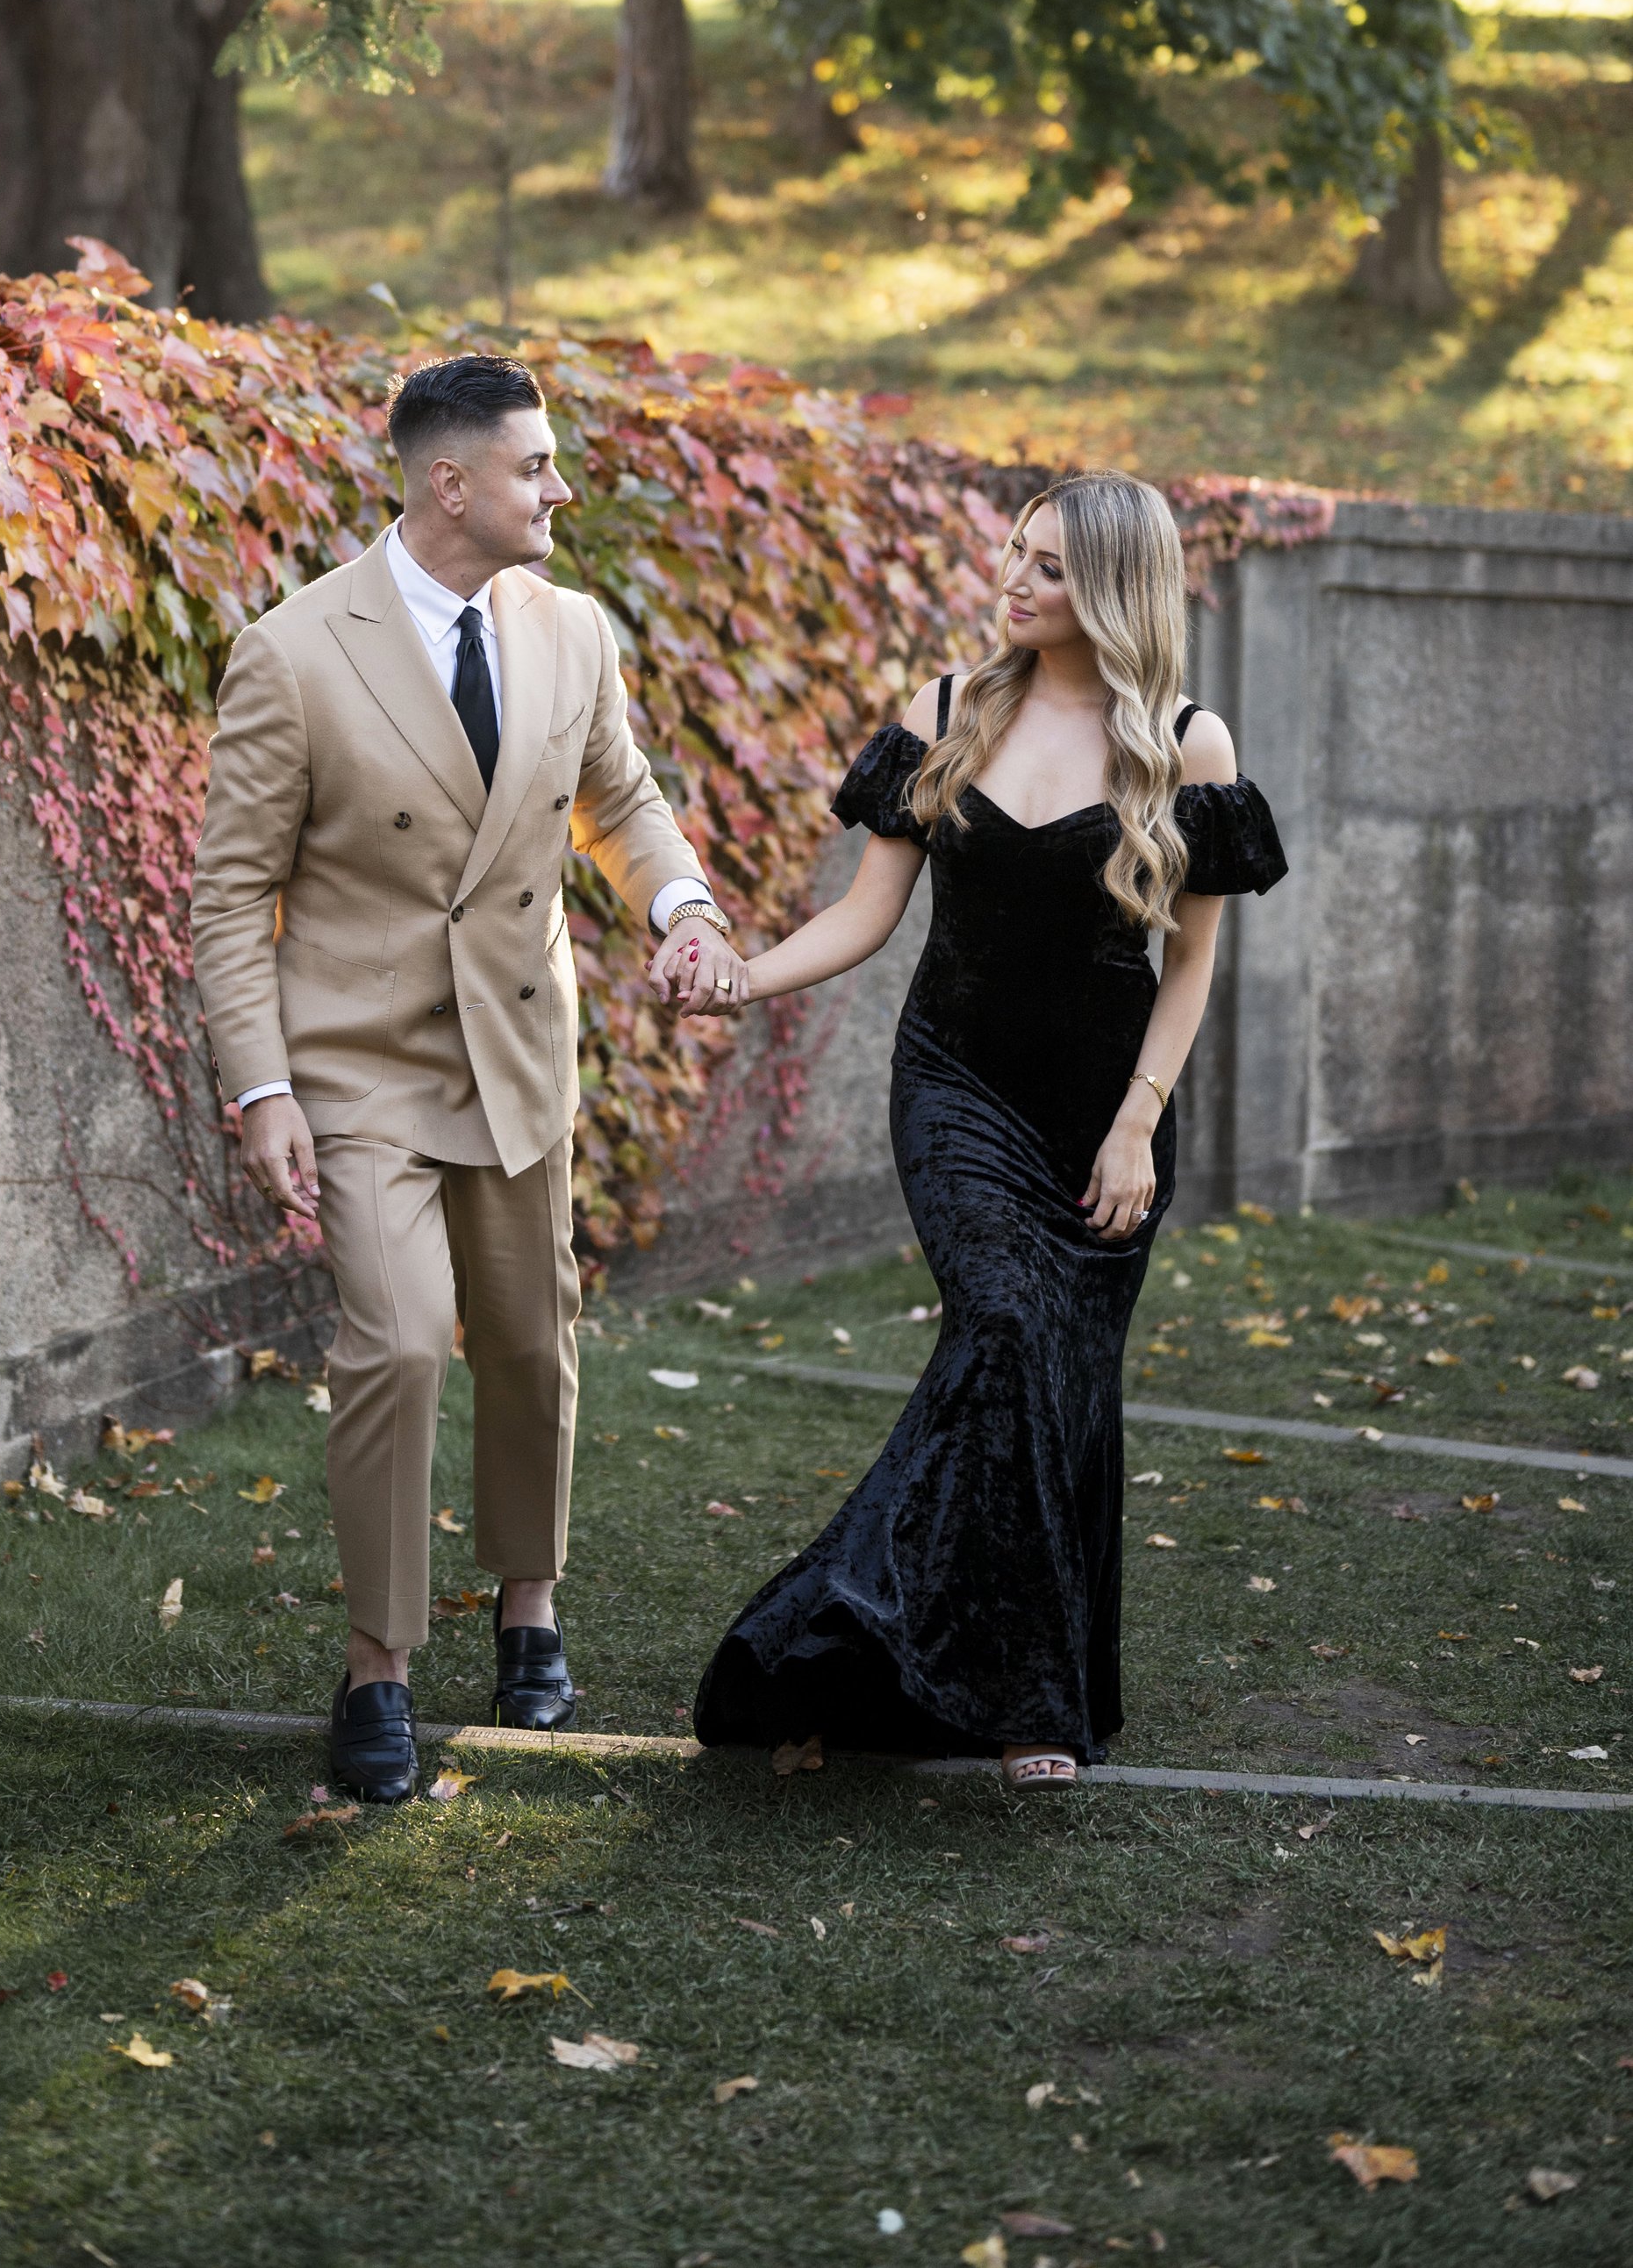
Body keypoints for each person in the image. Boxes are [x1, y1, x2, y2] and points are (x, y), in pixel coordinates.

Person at [673, 469, 1286, 1789]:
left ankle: (986, 1674)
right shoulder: (946, 712)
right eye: (1014, 551)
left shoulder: (1189, 745)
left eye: (1050, 566)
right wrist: (740, 971)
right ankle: (953, 1673)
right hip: (953, 1087)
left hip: (1110, 1116)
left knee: (1061, 1383)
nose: (1013, 578)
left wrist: (1138, 1125)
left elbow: (1188, 969)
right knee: (1006, 1324)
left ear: (1114, 588)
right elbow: (863, 918)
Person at [190, 352, 747, 1801]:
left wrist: (681, 905)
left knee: (526, 1338)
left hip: (517, 1048)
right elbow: (230, 890)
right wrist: (263, 1089)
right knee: (394, 1334)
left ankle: (528, 1603)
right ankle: (378, 1666)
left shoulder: (574, 632)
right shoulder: (295, 651)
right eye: (536, 465)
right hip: (357, 1068)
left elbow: (621, 803)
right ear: (453, 484)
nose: (560, 486)